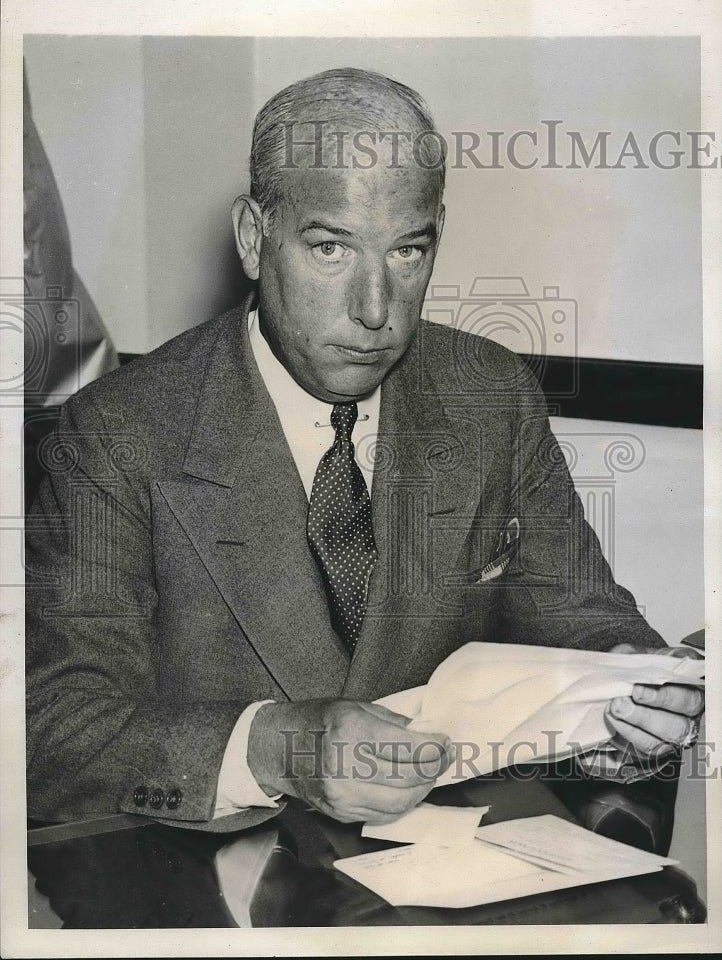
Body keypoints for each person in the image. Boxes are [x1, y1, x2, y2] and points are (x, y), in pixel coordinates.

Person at [25, 68, 704, 834]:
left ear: (436, 237)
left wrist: (630, 705)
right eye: (330, 248)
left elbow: (584, 620)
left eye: (407, 253)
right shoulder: (116, 432)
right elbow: (52, 733)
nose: (375, 308)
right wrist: (279, 747)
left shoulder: (489, 392)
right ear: (255, 238)